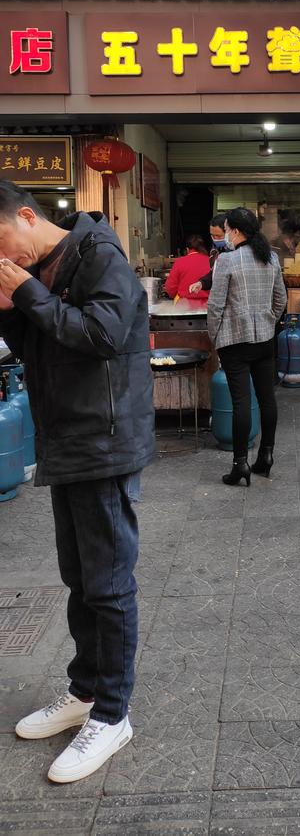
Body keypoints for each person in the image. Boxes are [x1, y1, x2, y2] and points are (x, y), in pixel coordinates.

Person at [0, 182, 154, 783]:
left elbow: (103, 336)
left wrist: (26, 292)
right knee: (80, 579)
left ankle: (112, 714)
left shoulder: (98, 255)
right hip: (66, 440)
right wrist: (10, 307)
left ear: (26, 216)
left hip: (104, 442)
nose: (3, 258)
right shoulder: (40, 270)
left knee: (109, 585)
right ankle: (85, 691)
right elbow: (40, 346)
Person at [207, 207, 287, 486]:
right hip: (264, 340)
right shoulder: (271, 257)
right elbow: (280, 299)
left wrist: (215, 336)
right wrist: (268, 321)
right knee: (267, 399)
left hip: (234, 342)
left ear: (236, 231)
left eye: (227, 229)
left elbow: (215, 305)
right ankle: (266, 456)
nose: (225, 234)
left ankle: (240, 464)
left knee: (241, 402)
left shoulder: (227, 261)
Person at [165, 235, 211, 303]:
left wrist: (173, 295)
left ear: (187, 249)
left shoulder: (179, 262)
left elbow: (171, 287)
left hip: (184, 305)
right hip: (207, 304)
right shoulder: (211, 261)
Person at [189, 214, 227, 296]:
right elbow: (215, 273)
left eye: (218, 236)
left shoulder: (236, 252)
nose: (215, 239)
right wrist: (201, 283)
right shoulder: (215, 251)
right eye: (212, 235)